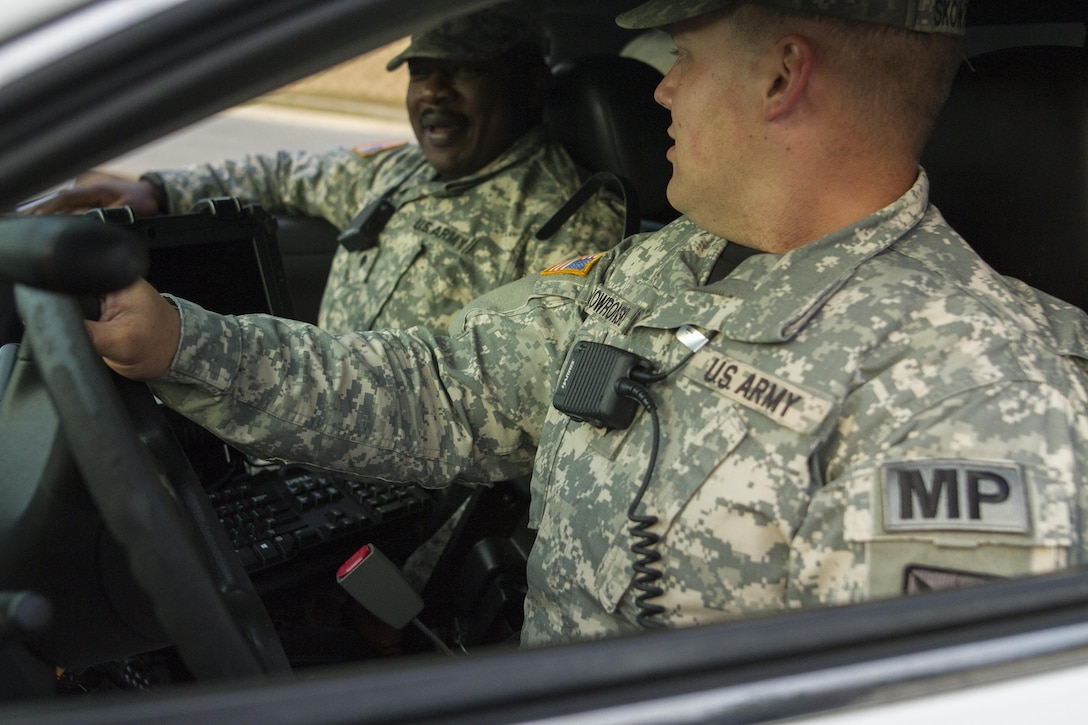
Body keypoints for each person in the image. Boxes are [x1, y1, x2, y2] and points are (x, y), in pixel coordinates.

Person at [84, 0, 1088, 649]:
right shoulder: (662, 263)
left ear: (782, 76)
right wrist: (182, 343)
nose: (654, 85)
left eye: (681, 55)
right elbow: (441, 389)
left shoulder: (978, 391)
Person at [30, 2, 627, 336]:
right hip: (325, 445)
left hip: (419, 498)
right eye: (422, 71)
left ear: (529, 83)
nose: (434, 93)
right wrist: (157, 189)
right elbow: (285, 173)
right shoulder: (399, 171)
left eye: (464, 70)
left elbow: (520, 395)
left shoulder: (569, 221)